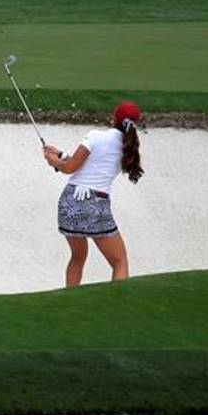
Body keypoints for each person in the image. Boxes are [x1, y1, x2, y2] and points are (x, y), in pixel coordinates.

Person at [43, 101, 144, 287]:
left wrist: (54, 161)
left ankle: (70, 300)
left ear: (113, 118)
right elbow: (90, 164)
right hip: (96, 205)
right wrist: (61, 155)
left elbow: (71, 168)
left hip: (70, 202)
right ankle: (117, 303)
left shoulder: (96, 136)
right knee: (119, 261)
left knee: (78, 255)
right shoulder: (128, 149)